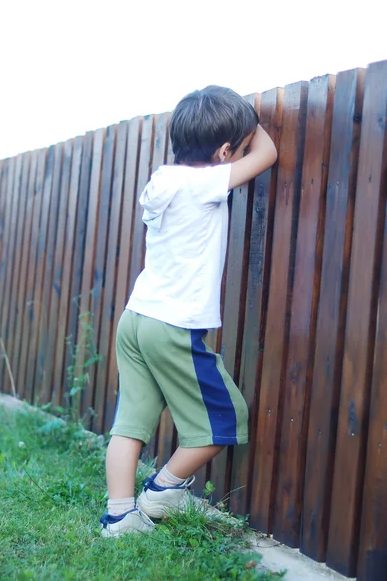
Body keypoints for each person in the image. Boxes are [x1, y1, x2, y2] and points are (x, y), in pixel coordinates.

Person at [100, 85, 277, 536]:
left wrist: (230, 128)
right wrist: (251, 126)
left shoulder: (163, 180)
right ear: (223, 152)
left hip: (136, 317)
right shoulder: (204, 183)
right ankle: (162, 491)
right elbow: (268, 152)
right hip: (172, 325)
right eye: (234, 149)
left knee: (131, 421)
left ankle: (120, 516)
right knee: (224, 420)